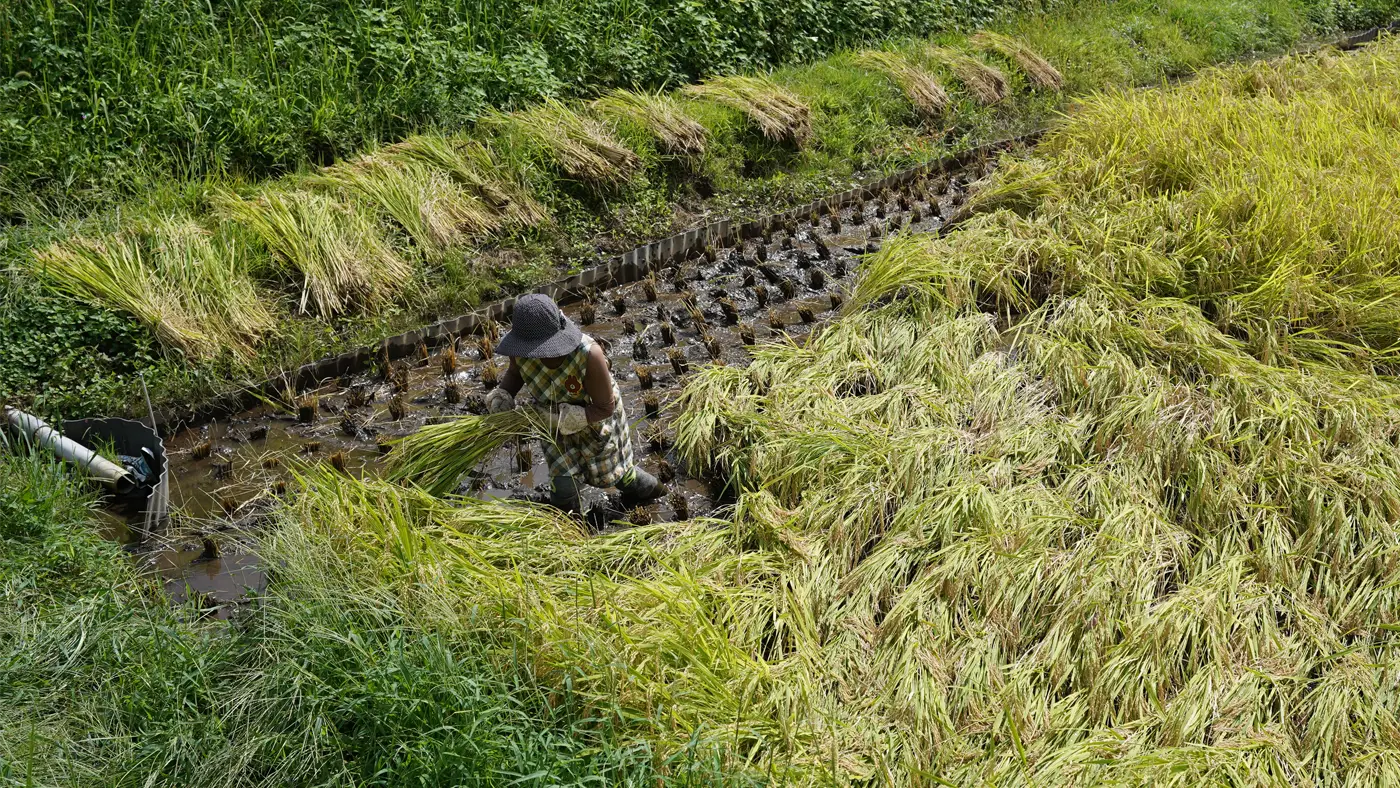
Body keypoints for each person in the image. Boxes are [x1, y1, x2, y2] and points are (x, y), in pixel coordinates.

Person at [485, 293, 664, 514]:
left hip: (596, 421)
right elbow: (515, 373)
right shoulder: (522, 350)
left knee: (619, 476)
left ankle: (659, 494)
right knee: (563, 484)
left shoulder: (587, 354)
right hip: (553, 426)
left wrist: (567, 417)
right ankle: (572, 530)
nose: (537, 355)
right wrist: (503, 394)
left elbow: (604, 407)